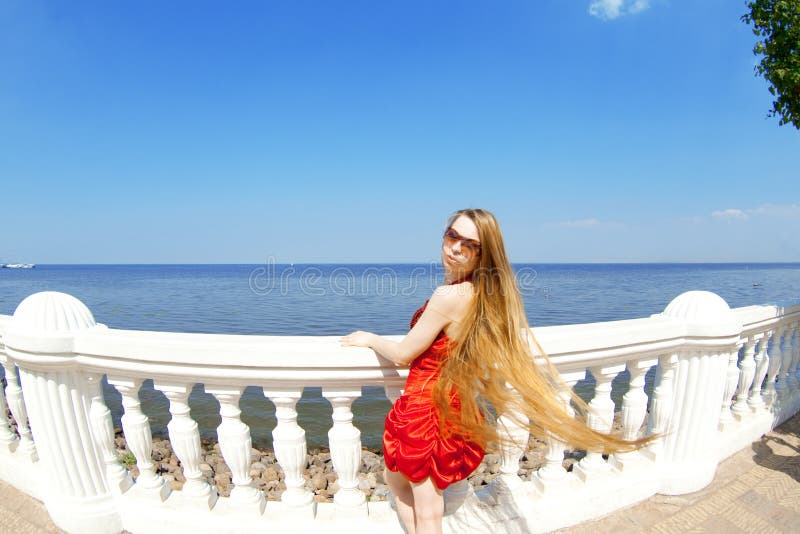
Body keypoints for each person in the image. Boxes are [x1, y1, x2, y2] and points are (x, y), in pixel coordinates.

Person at [341, 208, 644, 534]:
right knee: (400, 483)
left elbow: (403, 355)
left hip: (426, 409)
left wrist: (369, 338)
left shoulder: (449, 295)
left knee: (423, 505)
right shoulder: (480, 292)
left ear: (483, 254)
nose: (455, 248)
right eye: (452, 236)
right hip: (447, 403)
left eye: (469, 244)